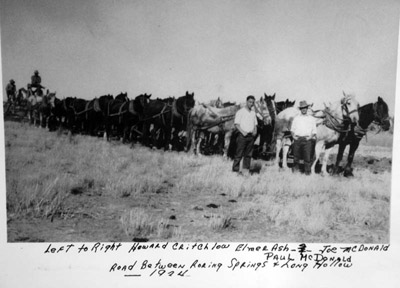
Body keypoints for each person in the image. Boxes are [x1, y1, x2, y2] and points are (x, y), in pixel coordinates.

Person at [232, 95, 258, 175]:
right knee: (239, 154)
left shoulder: (253, 113)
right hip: (242, 136)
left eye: (253, 103)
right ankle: (235, 170)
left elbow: (255, 124)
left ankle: (245, 170)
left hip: (251, 136)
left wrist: (255, 131)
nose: (251, 104)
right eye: (250, 102)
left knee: (248, 154)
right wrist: (243, 132)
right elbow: (236, 124)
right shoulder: (240, 112)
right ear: (246, 102)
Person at [290, 100, 317, 175]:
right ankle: (295, 173)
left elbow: (314, 131)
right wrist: (294, 137)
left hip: (307, 140)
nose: (304, 109)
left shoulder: (311, 118)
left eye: (305, 107)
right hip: (297, 139)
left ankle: (307, 173)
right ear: (300, 109)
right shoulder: (296, 118)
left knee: (307, 158)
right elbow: (292, 129)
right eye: (302, 108)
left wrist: (309, 137)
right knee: (296, 157)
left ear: (307, 108)